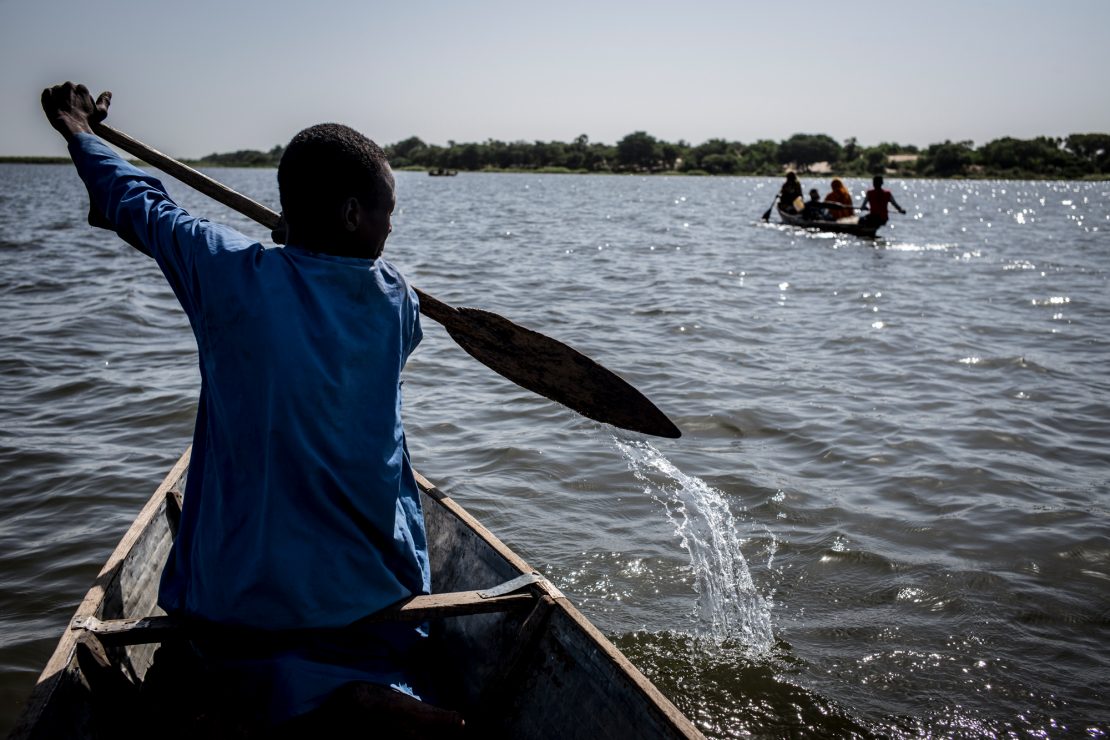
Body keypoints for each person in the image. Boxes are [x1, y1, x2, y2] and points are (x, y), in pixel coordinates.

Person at [40, 82, 461, 736]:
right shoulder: (397, 300)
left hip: (243, 598)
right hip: (374, 589)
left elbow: (139, 202)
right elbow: (337, 275)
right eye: (389, 212)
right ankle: (357, 691)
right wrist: (305, 240)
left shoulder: (229, 274)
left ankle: (266, 695)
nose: (390, 225)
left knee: (208, 665)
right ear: (353, 214)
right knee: (383, 630)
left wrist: (80, 132)